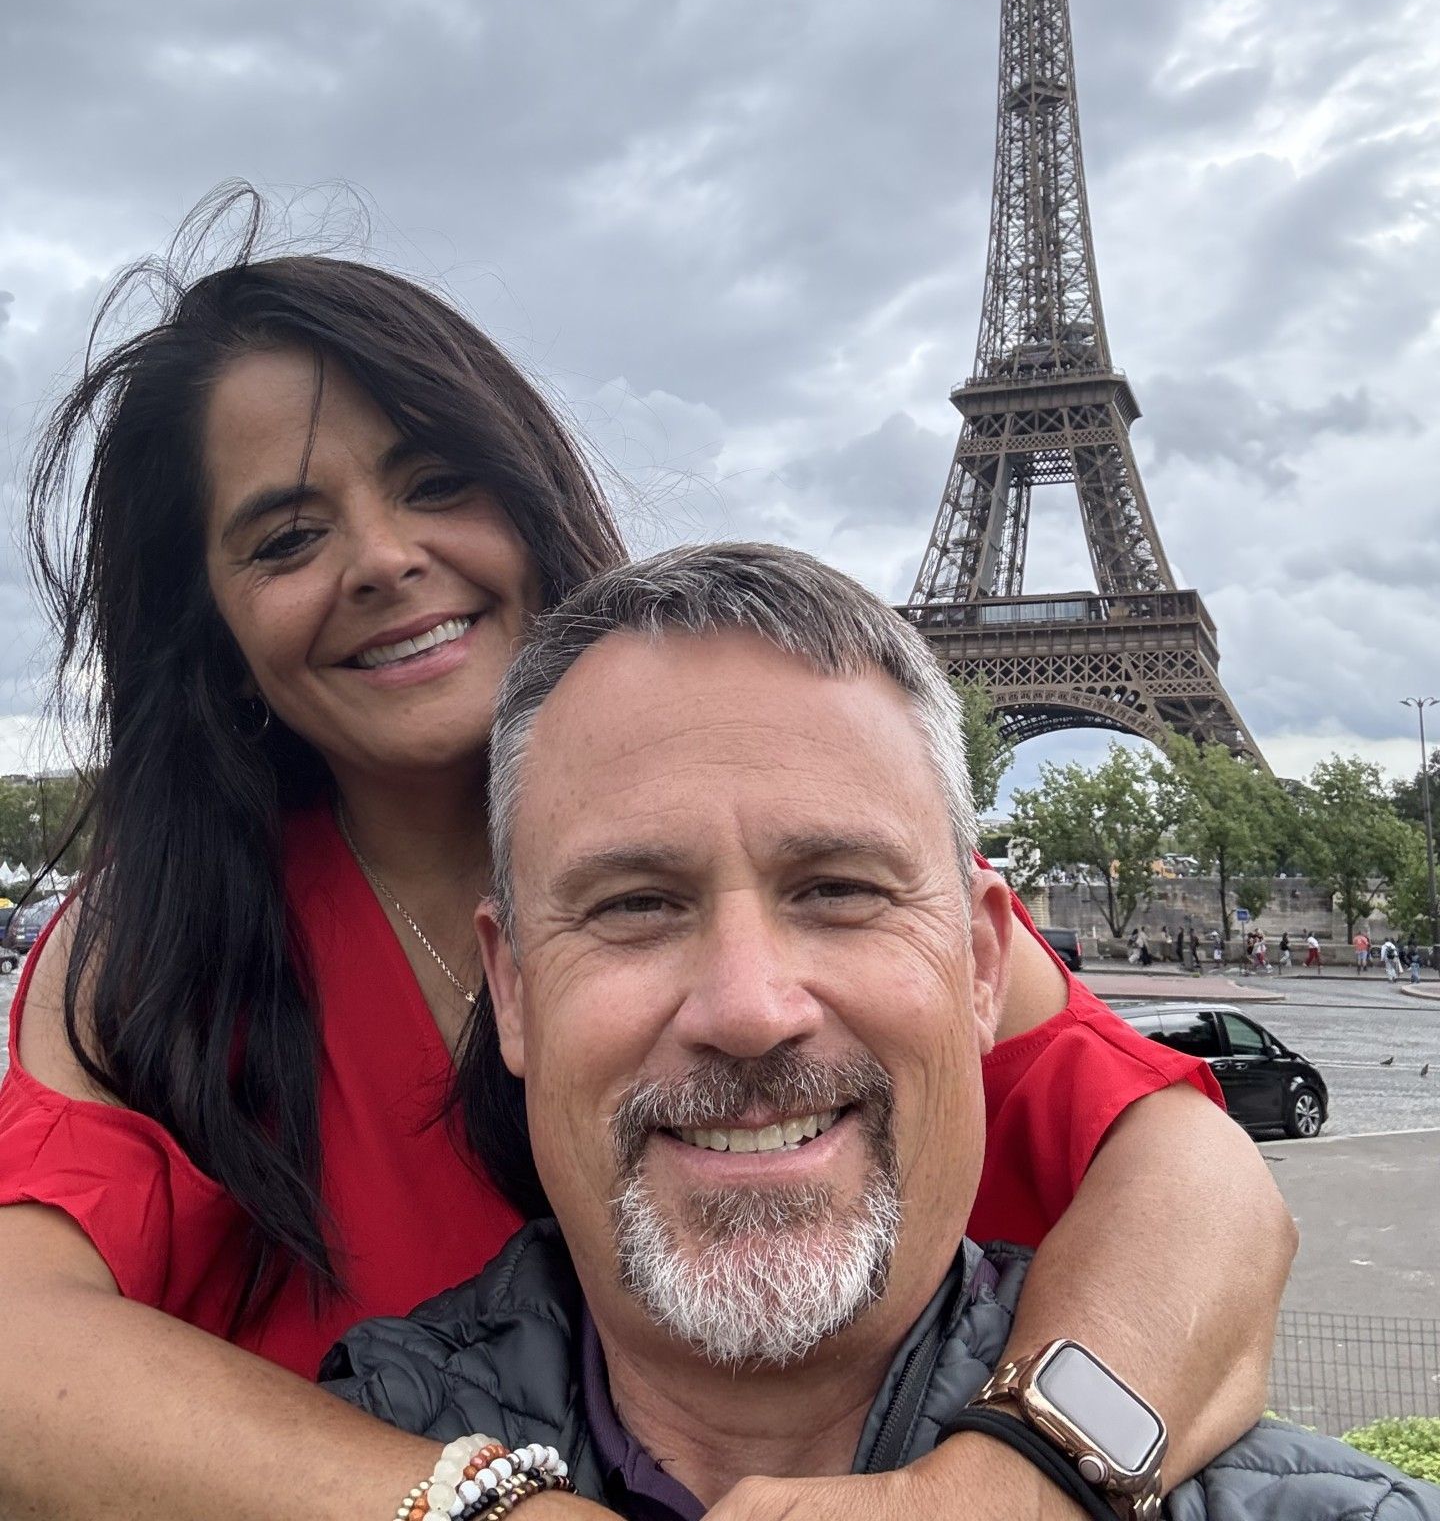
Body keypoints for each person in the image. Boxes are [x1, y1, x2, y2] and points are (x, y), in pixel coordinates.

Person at [0, 191, 1295, 1521]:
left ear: (529, 500)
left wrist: (1010, 1484)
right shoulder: (151, 947)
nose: (383, 559)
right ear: (212, 633)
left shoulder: (812, 865)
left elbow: (1194, 1181)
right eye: (287, 539)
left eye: (437, 482)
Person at [325, 544, 1440, 1521]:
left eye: (839, 890)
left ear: (983, 964)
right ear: (513, 991)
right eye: (635, 905)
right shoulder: (316, 1453)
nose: (751, 1010)